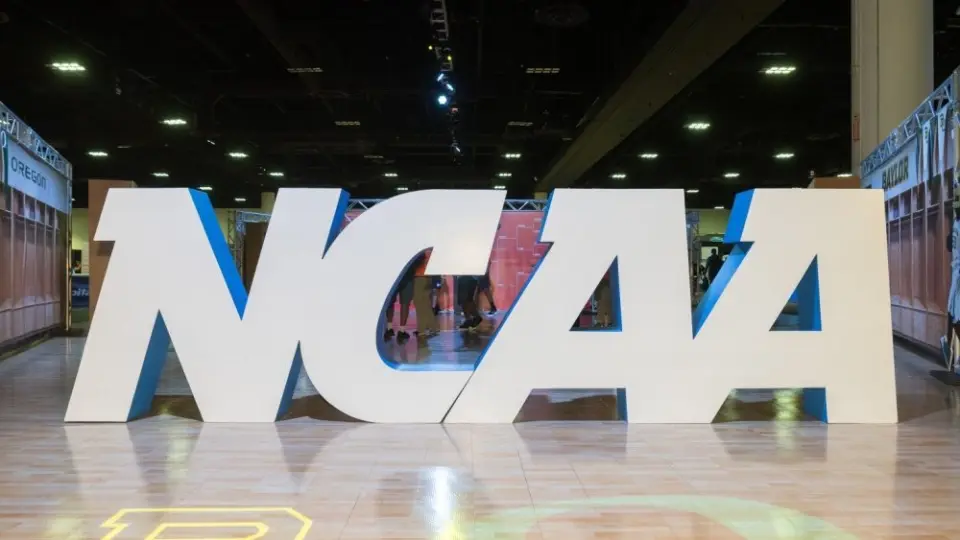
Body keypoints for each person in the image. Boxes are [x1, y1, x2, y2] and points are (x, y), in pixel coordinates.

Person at [384, 260, 418, 343]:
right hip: (408, 275)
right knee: (405, 304)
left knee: (390, 302)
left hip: (393, 273)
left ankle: (389, 328)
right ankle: (401, 331)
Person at [412, 251, 440, 338]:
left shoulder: (422, 251)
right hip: (428, 277)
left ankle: (422, 330)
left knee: (420, 304)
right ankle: (433, 327)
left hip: (420, 276)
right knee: (426, 305)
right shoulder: (431, 250)